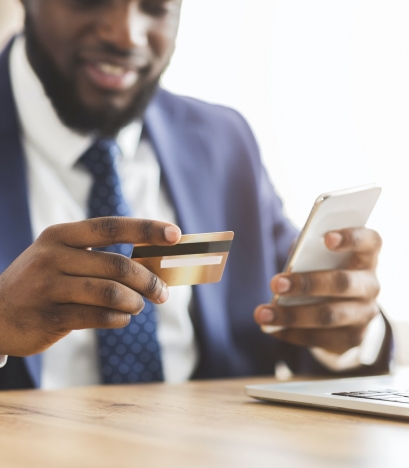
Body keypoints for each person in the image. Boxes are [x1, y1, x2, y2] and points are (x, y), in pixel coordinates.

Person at [0, 0, 391, 390]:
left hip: (212, 444)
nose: (126, 35)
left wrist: (348, 328)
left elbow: (300, 322)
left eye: (155, 7)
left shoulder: (224, 141)